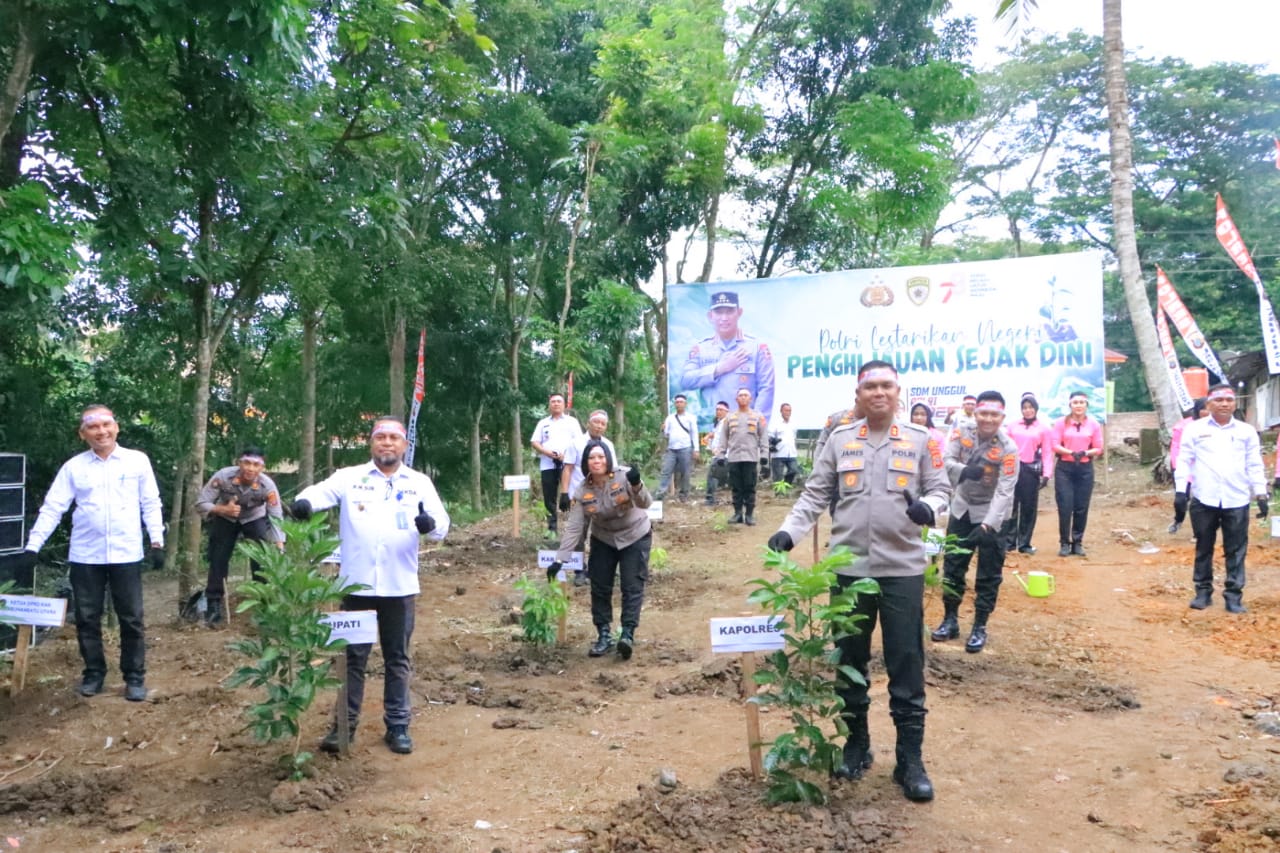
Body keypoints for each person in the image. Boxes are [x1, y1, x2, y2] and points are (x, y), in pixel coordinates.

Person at [766, 360, 950, 803]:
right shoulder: (840, 440)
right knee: (850, 661)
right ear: (859, 393)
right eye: (871, 386)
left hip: (902, 570)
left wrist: (928, 507)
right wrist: (790, 531)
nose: (879, 393)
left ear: (898, 391)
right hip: (849, 570)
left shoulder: (922, 441)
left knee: (906, 664)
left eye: (887, 385)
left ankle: (910, 759)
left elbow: (942, 490)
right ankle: (856, 744)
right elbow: (815, 494)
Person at [292, 416, 450, 755]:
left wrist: (429, 524)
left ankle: (398, 726)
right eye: (381, 437)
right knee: (352, 658)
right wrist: (304, 504)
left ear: (404, 445)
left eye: (394, 437)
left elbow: (442, 526)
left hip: (400, 586)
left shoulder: (418, 482)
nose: (387, 443)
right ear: (372, 443)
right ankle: (344, 726)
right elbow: (320, 492)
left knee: (397, 658)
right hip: (356, 586)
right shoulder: (351, 477)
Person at [19, 405, 164, 701]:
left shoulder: (137, 461)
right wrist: (33, 546)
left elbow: (150, 502)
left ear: (117, 427)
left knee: (132, 618)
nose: (101, 431)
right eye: (93, 427)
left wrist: (157, 541)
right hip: (86, 555)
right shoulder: (74, 467)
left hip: (126, 553)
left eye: (106, 425)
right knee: (86, 617)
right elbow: (54, 507)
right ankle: (94, 674)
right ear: (83, 433)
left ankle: (134, 677)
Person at [932, 391, 1019, 654]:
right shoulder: (961, 431)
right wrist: (962, 471)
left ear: (1002, 417)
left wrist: (988, 525)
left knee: (989, 573)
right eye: (984, 413)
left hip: (992, 514)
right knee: (953, 566)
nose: (988, 419)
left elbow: (1006, 491)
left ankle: (980, 625)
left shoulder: (1008, 448)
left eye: (994, 415)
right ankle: (950, 620)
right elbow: (945, 461)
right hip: (962, 509)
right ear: (976, 413)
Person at [549, 440, 652, 660]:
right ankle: (604, 634)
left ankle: (627, 634)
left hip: (635, 535)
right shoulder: (582, 490)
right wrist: (560, 559)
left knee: (631, 585)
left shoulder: (624, 475)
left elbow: (646, 503)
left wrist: (637, 485)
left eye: (601, 457)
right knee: (600, 586)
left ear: (608, 459)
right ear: (585, 463)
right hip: (604, 538)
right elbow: (575, 527)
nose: (597, 461)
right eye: (591, 458)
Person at [1174, 384, 1266, 613]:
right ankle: (1203, 592)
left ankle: (1234, 596)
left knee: (1236, 549)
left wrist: (1261, 492)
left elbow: (1254, 463)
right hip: (1204, 498)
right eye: (1219, 400)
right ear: (1209, 404)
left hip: (1237, 498)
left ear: (1234, 403)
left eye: (1229, 399)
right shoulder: (1194, 429)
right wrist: (1180, 491)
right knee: (1204, 547)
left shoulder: (1246, 431)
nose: (1224, 404)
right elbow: (1184, 460)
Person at [194, 447, 285, 626]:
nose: (250, 468)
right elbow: (200, 503)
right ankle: (214, 605)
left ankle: (264, 605)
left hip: (254, 517)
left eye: (256, 465)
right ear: (239, 463)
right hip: (226, 516)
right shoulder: (223, 476)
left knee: (262, 559)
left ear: (262, 468)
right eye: (247, 463)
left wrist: (279, 542)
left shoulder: (267, 486)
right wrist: (221, 509)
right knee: (218, 558)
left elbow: (275, 515)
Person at [680, 291, 775, 424]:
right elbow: (686, 380)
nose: (724, 318)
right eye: (718, 312)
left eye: (729, 311)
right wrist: (719, 369)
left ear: (739, 313)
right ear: (710, 316)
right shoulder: (700, 349)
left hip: (744, 427)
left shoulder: (757, 347)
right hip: (710, 427)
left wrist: (756, 425)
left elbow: (766, 389)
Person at [560, 410, 616, 586]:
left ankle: (600, 568)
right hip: (580, 494)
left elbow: (612, 470)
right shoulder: (576, 443)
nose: (599, 426)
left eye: (603, 423)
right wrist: (564, 492)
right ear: (588, 424)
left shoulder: (608, 445)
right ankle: (579, 570)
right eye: (596, 422)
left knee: (604, 533)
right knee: (578, 533)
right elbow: (568, 468)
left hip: (603, 496)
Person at [1050, 390, 1103, 557]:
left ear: (1086, 405)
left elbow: (1099, 447)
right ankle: (1064, 542)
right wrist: (1071, 452)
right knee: (1065, 506)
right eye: (1075, 402)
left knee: (1081, 507)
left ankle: (1077, 542)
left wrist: (1085, 453)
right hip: (1065, 468)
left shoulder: (1093, 424)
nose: (1078, 405)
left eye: (1081, 402)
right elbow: (1055, 444)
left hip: (1085, 469)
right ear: (1070, 405)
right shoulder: (1060, 423)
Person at [1002, 393, 1055, 554]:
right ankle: (1009, 542)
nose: (1027, 410)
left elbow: (1047, 452)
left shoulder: (1043, 428)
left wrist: (1047, 474)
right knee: (1011, 506)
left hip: (1030, 470)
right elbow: (1004, 448)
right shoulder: (1012, 426)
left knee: (1028, 508)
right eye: (1024, 408)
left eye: (1030, 407)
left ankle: (1024, 543)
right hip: (1012, 469)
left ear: (1036, 408)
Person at [712, 389, 768, 525]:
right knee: (736, 487)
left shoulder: (757, 416)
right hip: (734, 458)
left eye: (746, 396)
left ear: (751, 399)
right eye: (740, 396)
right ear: (736, 399)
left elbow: (764, 437)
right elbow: (723, 438)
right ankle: (737, 514)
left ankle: (749, 515)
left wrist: (765, 455)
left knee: (750, 486)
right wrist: (720, 454)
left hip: (750, 457)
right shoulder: (729, 418)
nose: (743, 398)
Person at [530, 393, 582, 535]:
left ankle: (574, 528)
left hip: (568, 464)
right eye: (553, 401)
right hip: (547, 464)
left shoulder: (572, 422)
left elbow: (579, 442)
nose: (556, 404)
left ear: (564, 404)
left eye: (559, 401)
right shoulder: (543, 423)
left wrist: (567, 455)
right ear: (549, 405)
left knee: (570, 494)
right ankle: (552, 529)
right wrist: (545, 451)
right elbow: (535, 441)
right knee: (549, 497)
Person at [1168, 398, 1208, 533]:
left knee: (1200, 502)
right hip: (1184, 467)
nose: (1207, 412)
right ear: (1197, 410)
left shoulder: (1216, 427)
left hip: (1205, 469)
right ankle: (1178, 519)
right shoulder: (1183, 426)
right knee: (1181, 500)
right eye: (1204, 408)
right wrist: (1176, 467)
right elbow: (1176, 448)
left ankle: (1199, 532)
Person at [657, 395, 699, 502]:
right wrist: (663, 430)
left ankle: (684, 494)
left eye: (681, 402)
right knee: (666, 470)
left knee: (685, 472)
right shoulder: (670, 418)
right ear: (675, 404)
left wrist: (696, 449)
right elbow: (666, 434)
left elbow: (694, 433)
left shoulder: (690, 417)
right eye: (677, 402)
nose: (679, 404)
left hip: (685, 448)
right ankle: (661, 493)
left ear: (685, 404)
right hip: (672, 448)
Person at [702, 400, 730, 506]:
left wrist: (721, 451)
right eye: (717, 409)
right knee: (714, 476)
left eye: (721, 410)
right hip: (717, 454)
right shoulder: (718, 423)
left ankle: (710, 499)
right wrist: (709, 438)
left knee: (712, 476)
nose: (718, 411)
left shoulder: (728, 422)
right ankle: (711, 498)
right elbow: (715, 437)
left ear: (727, 411)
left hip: (723, 455)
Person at [769, 403, 800, 485]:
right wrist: (773, 441)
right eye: (786, 410)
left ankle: (786, 486)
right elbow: (769, 437)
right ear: (781, 411)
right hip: (778, 453)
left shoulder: (793, 424)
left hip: (791, 453)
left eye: (789, 411)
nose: (788, 412)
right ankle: (779, 495)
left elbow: (794, 437)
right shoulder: (775, 424)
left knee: (794, 470)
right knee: (778, 477)